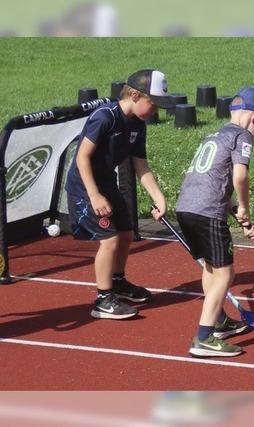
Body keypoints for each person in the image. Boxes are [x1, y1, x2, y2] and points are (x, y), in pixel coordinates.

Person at [176, 86, 254, 357]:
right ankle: (204, 337)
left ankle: (218, 321)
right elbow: (240, 177)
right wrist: (244, 206)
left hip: (187, 207)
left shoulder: (216, 134)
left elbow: (210, 180)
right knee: (225, 273)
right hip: (208, 212)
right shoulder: (243, 135)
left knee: (211, 268)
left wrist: (235, 209)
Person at [65, 69, 169, 320]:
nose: (157, 110)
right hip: (85, 186)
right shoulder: (105, 118)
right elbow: (82, 157)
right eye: (153, 104)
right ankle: (102, 299)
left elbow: (140, 165)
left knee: (126, 233)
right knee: (109, 240)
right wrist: (94, 195)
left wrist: (158, 196)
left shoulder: (138, 124)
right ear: (134, 95)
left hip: (107, 183)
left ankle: (118, 282)